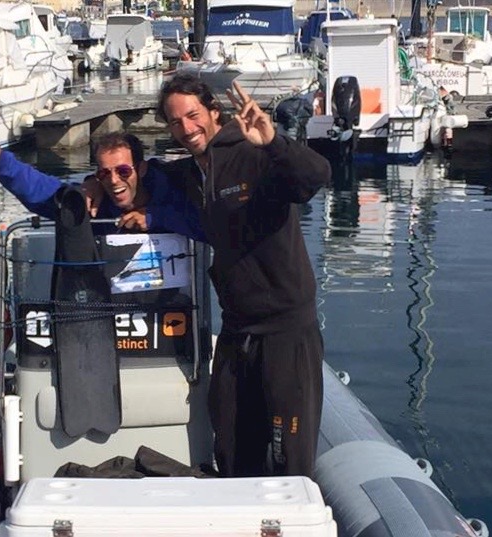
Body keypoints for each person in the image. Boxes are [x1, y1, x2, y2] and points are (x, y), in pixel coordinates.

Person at [155, 74, 332, 479]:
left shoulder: (254, 154)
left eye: (193, 115)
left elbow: (316, 176)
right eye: (176, 121)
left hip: (287, 332)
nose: (186, 128)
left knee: (291, 458)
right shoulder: (189, 174)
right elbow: (134, 179)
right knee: (232, 448)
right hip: (237, 331)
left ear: (213, 112)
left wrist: (273, 142)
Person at [0, 96, 203, 240]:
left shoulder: (175, 191)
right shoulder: (92, 203)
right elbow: (37, 188)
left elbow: (207, 226)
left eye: (123, 171)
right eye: (104, 173)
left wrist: (154, 218)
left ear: (140, 169)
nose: (114, 180)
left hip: (175, 301)